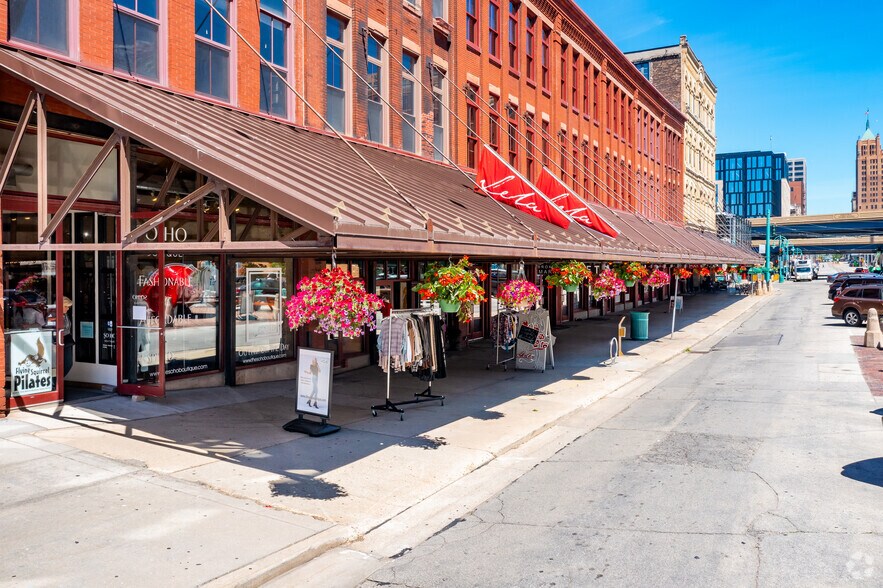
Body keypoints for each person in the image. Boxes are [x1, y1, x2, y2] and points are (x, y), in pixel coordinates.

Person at [60, 297, 75, 376]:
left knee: (68, 363)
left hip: (66, 340)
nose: (68, 308)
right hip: (59, 341)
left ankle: (60, 381)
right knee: (65, 363)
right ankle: (58, 383)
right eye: (66, 306)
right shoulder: (54, 315)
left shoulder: (65, 315)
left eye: (68, 307)